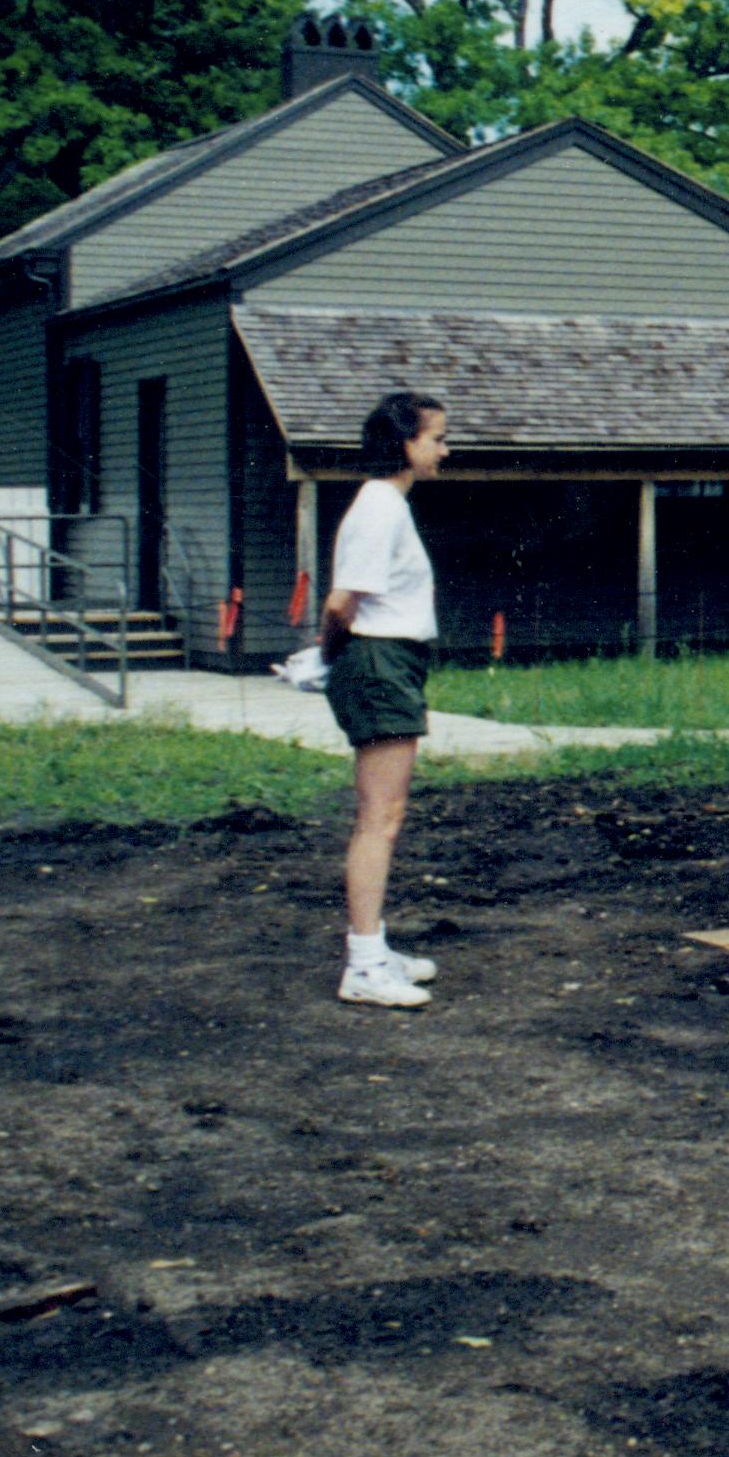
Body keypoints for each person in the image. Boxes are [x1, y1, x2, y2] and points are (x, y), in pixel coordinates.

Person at [324, 388, 449, 1009]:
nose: (444, 451)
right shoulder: (379, 507)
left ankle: (374, 948)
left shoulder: (388, 505)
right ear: (405, 444)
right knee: (381, 817)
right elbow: (341, 602)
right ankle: (364, 965)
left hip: (390, 659)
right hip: (379, 660)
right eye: (435, 439)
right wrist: (326, 657)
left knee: (385, 815)